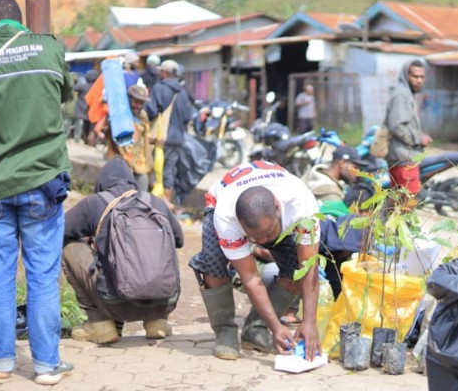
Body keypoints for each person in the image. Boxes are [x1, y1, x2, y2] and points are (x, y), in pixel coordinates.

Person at [0, 0, 74, 385]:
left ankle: (0, 365)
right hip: (42, 180)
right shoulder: (49, 49)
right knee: (42, 275)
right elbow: (64, 98)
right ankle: (46, 367)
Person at [188, 162, 321, 361]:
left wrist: (310, 322)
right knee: (212, 265)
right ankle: (225, 332)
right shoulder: (226, 217)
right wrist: (278, 327)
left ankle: (256, 328)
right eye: (253, 238)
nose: (261, 243)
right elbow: (250, 277)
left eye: (267, 234)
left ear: (278, 209)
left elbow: (309, 268)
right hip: (220, 199)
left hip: (277, 206)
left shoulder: (301, 206)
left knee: (296, 270)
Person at [62, 157, 184, 343]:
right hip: (163, 301)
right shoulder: (155, 203)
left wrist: (92, 238)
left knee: (69, 248)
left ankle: (100, 323)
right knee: (165, 243)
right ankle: (157, 322)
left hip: (114, 303)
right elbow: (179, 240)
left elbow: (60, 231)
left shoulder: (95, 203)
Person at [145, 60, 193, 206]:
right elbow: (187, 117)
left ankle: (153, 203)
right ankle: (166, 204)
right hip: (177, 138)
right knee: (169, 171)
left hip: (160, 137)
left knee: (153, 168)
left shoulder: (159, 88)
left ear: (164, 72)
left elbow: (151, 111)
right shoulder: (183, 92)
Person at [386, 59, 432, 200]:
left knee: (398, 202)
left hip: (402, 156)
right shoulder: (402, 95)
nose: (418, 80)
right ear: (406, 75)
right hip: (404, 158)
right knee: (409, 201)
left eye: (421, 77)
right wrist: (419, 138)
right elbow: (396, 125)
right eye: (415, 76)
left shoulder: (407, 94)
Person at [106, 85, 153, 191]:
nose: (138, 106)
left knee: (141, 198)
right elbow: (109, 136)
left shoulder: (143, 116)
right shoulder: (118, 115)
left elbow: (146, 136)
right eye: (136, 102)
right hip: (120, 165)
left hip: (139, 164)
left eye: (141, 103)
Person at [301, 144, 368, 204]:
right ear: (342, 163)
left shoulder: (313, 173)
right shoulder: (332, 195)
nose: (357, 173)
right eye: (355, 168)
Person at [74, 69, 99, 145]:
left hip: (84, 111)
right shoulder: (98, 87)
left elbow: (73, 87)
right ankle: (91, 142)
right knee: (92, 128)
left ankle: (84, 139)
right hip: (94, 112)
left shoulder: (84, 87)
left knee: (85, 127)